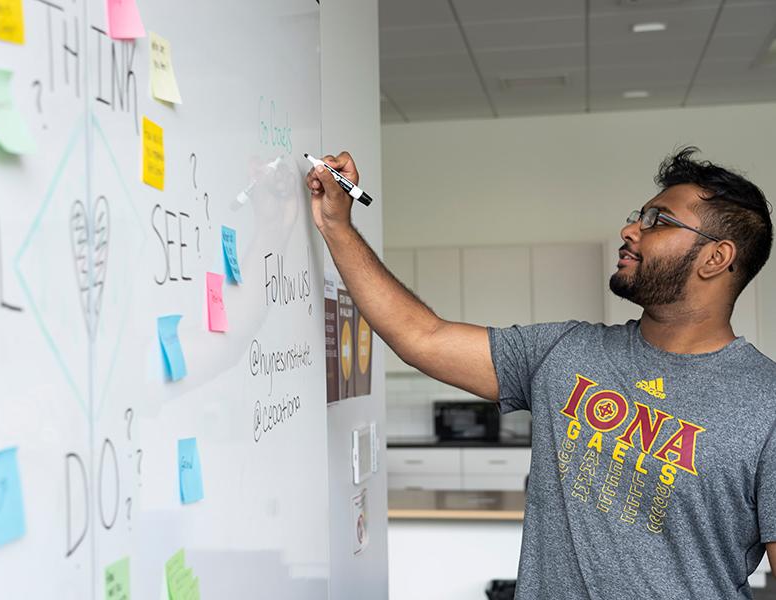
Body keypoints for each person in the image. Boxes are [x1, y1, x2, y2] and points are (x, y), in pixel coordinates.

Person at [307, 147, 776, 599]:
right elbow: (422, 336)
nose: (630, 229)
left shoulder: (767, 404)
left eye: (658, 220)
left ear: (716, 258)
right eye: (640, 214)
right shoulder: (562, 351)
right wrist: (336, 223)